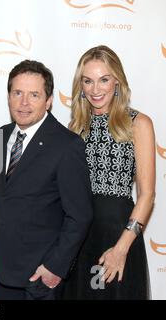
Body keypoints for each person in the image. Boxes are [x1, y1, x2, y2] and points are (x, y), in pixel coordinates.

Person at [0, 59, 93, 300]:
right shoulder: (1, 135)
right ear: (8, 96)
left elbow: (80, 215)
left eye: (34, 95)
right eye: (17, 93)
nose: (24, 103)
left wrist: (54, 267)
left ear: (48, 101)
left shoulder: (67, 145)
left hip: (39, 279)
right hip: (0, 272)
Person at [62, 45, 155, 300]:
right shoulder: (75, 128)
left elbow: (147, 195)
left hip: (118, 235)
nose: (96, 89)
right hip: (79, 237)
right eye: (88, 81)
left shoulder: (138, 123)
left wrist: (121, 249)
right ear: (80, 85)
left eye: (104, 79)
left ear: (117, 81)